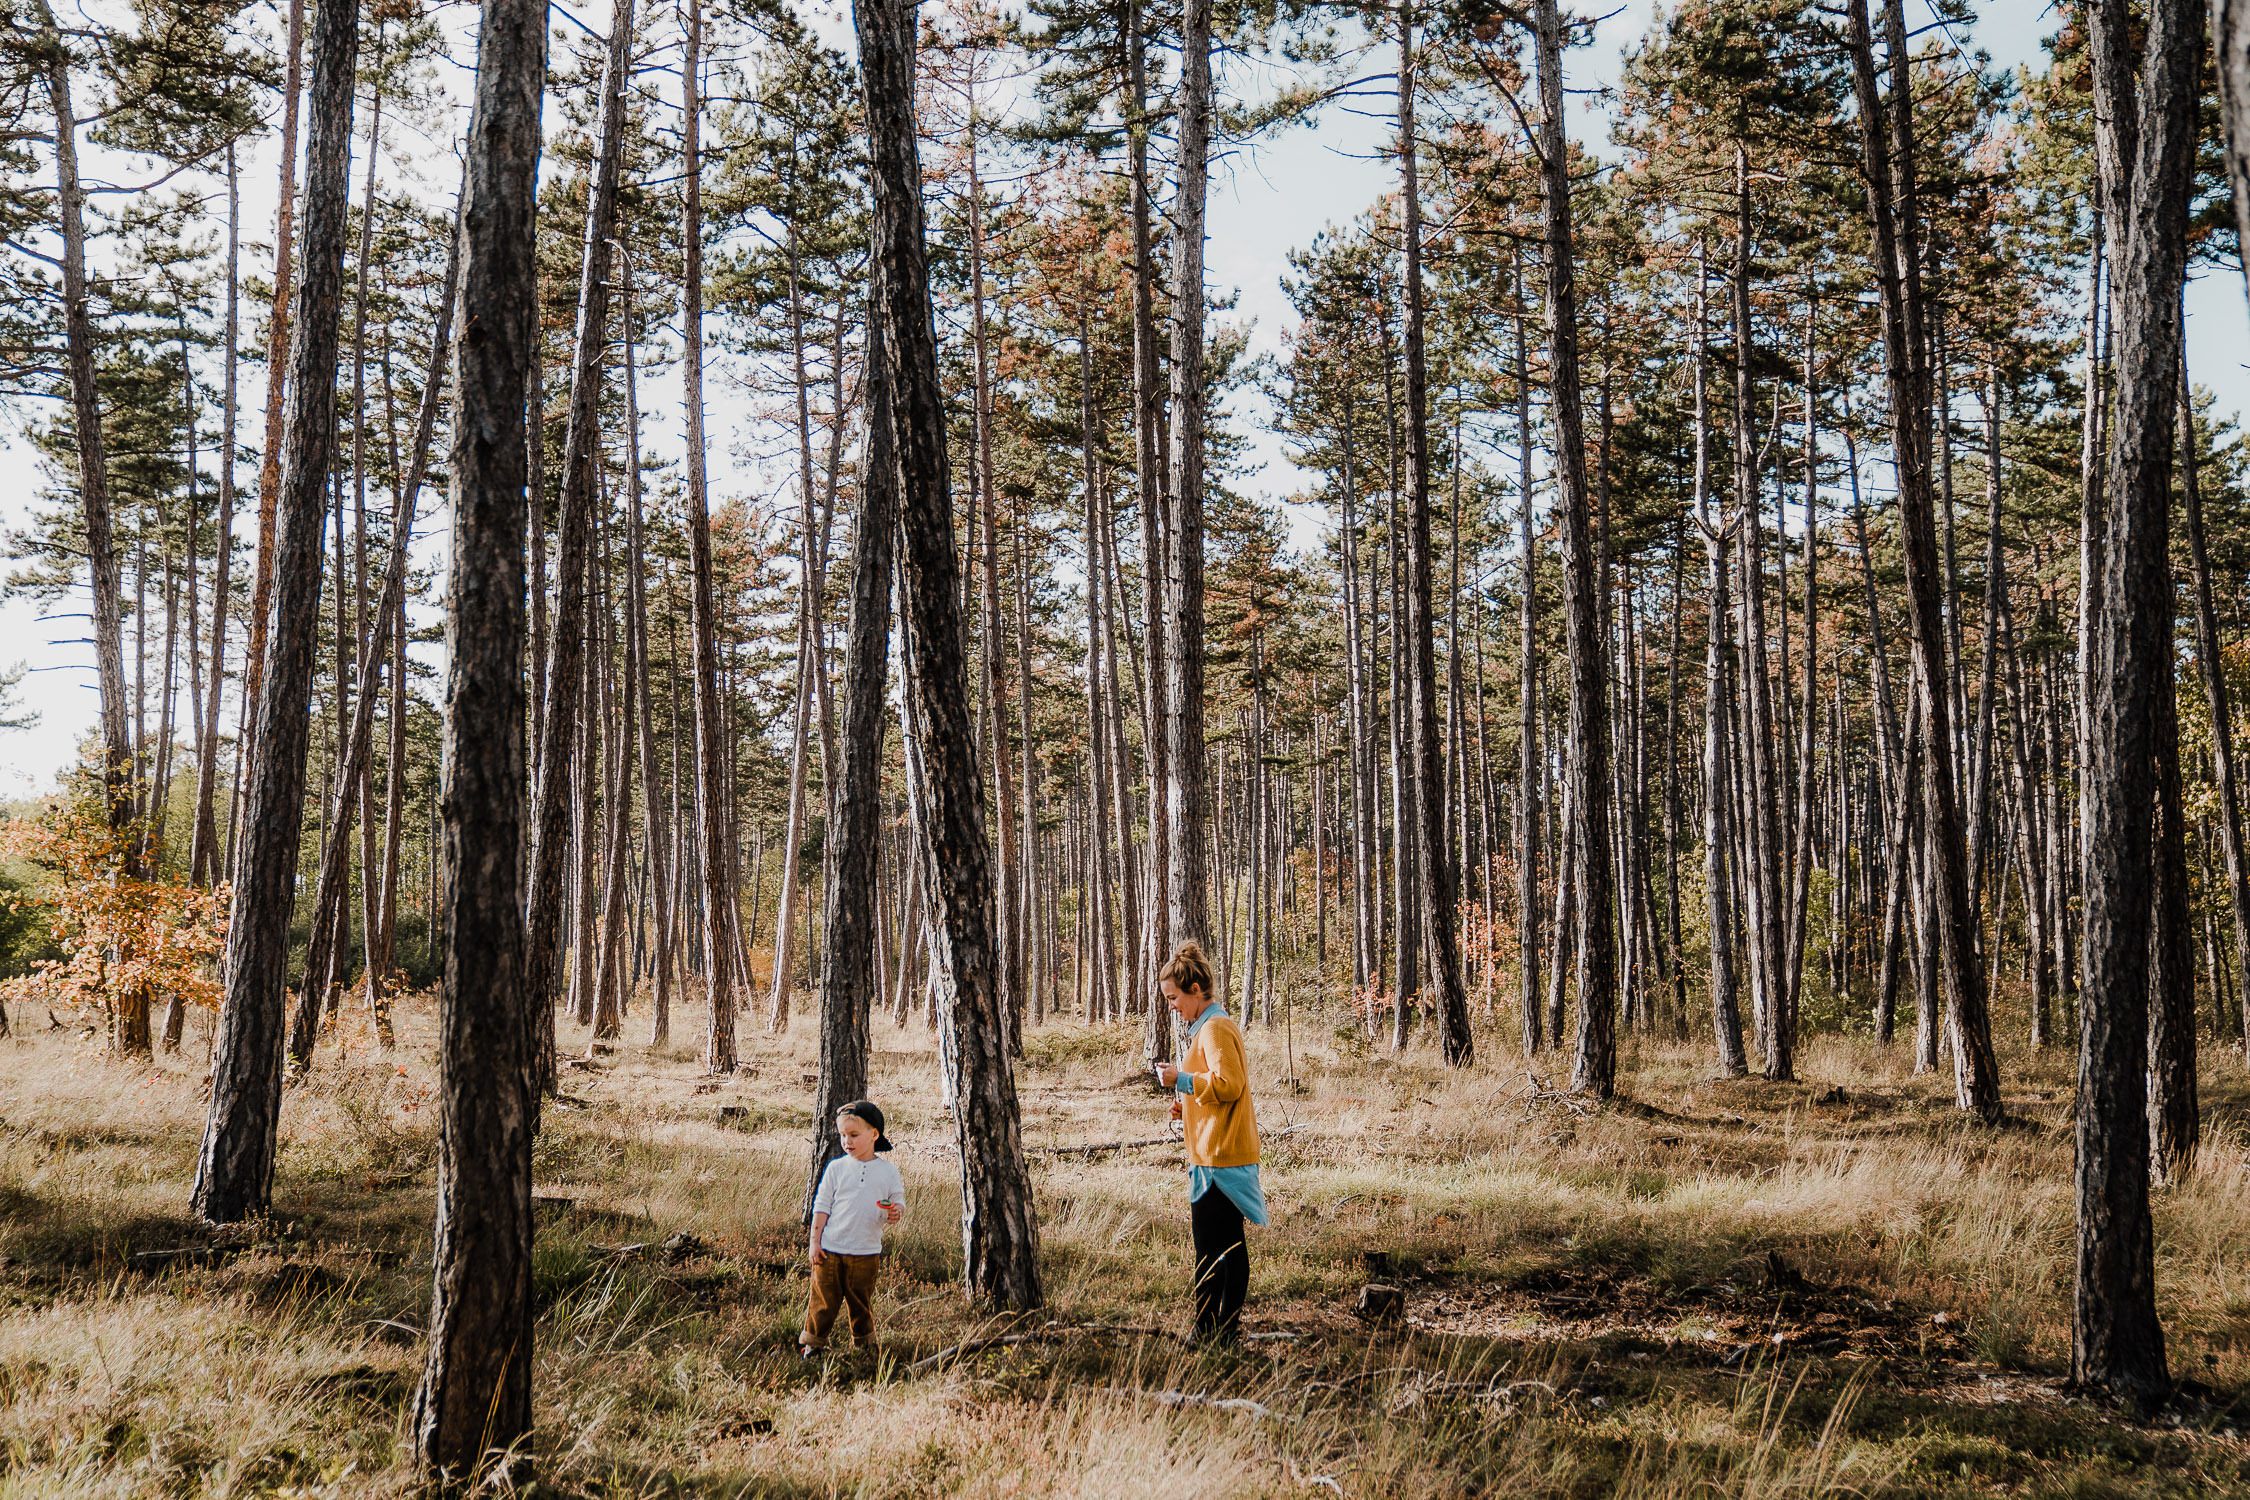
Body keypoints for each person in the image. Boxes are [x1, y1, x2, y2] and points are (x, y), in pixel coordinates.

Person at [1153, 940, 1265, 1342]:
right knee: (1224, 1245)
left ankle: (1212, 1332)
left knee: (1216, 1250)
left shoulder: (1216, 1027)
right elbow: (1217, 1090)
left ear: (1196, 989)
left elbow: (1229, 1084)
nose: (1171, 1006)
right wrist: (1188, 1108)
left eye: (1174, 997)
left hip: (1221, 1157)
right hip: (1213, 1152)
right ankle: (1219, 1331)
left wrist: (1179, 1080)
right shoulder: (1207, 1027)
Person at [801, 1099, 906, 1358]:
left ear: (874, 1134)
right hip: (830, 1250)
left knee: (860, 1301)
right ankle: (813, 1344)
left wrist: (896, 1212)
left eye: (853, 1135)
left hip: (866, 1251)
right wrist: (815, 1242)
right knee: (823, 1301)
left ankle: (865, 1347)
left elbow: (898, 1201)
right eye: (843, 1135)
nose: (846, 1141)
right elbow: (821, 1207)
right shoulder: (836, 1168)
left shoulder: (888, 1171)